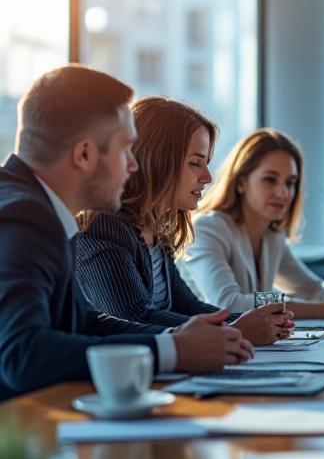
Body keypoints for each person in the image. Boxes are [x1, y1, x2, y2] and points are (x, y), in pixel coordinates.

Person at [0, 66, 252, 400]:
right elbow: (21, 354)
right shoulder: (24, 217)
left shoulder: (44, 212)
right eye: (125, 149)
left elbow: (87, 323)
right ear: (85, 154)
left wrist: (177, 343)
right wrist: (171, 351)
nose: (134, 165)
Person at [76, 98, 294, 345]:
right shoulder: (103, 227)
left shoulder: (155, 232)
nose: (207, 177)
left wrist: (254, 321)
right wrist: (236, 328)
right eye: (195, 163)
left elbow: (187, 306)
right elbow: (133, 317)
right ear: (156, 160)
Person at [182, 129, 324, 318]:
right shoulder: (206, 229)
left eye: (290, 183)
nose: (283, 193)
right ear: (241, 182)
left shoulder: (272, 236)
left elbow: (312, 288)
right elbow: (229, 303)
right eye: (270, 180)